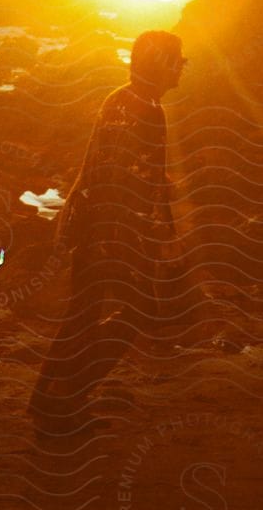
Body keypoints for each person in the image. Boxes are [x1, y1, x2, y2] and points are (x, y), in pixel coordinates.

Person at [28, 29, 188, 429]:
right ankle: (67, 396)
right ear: (161, 64)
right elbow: (133, 181)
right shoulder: (149, 110)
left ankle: (47, 399)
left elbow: (113, 166)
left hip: (91, 221)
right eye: (178, 60)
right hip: (114, 229)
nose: (182, 68)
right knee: (136, 311)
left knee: (82, 312)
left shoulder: (120, 96)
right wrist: (154, 238)